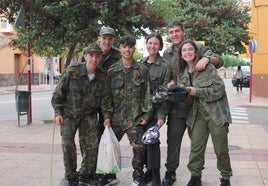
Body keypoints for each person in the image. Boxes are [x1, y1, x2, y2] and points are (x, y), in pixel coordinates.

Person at [162, 20, 224, 186]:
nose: (174, 34)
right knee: (173, 140)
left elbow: (219, 60)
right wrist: (170, 83)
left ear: (183, 31)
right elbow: (167, 76)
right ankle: (171, 172)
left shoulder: (196, 47)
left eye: (177, 31)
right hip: (178, 105)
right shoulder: (166, 54)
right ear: (168, 35)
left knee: (197, 143)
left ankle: (196, 175)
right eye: (171, 32)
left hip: (196, 105)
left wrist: (207, 59)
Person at [51, 43, 112, 186]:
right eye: (91, 55)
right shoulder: (73, 70)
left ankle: (86, 174)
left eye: (97, 56)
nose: (94, 59)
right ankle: (71, 175)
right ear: (85, 56)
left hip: (89, 116)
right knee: (67, 144)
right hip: (69, 114)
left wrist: (107, 116)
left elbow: (106, 100)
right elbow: (58, 93)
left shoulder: (102, 76)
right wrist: (58, 112)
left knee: (92, 145)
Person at [176, 39, 232, 186]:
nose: (187, 52)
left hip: (216, 114)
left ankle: (225, 177)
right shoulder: (181, 74)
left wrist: (197, 92)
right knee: (196, 148)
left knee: (221, 149)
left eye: (190, 49)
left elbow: (219, 90)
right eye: (184, 50)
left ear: (195, 52)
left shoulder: (207, 68)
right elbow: (186, 98)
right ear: (181, 55)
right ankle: (195, 176)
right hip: (196, 115)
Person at [103, 35, 154, 186]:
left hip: (135, 119)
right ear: (120, 48)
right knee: (109, 148)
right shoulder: (112, 71)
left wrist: (147, 114)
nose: (127, 49)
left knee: (140, 149)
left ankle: (137, 177)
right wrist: (106, 116)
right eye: (124, 46)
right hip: (115, 119)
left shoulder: (142, 70)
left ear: (134, 49)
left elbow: (148, 94)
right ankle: (109, 176)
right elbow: (106, 97)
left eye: (130, 46)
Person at [139, 33, 172, 186]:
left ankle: (156, 176)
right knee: (143, 143)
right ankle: (148, 172)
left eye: (156, 44)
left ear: (160, 46)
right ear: (146, 44)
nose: (152, 46)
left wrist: (161, 116)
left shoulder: (164, 65)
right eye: (150, 43)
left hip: (155, 111)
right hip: (141, 112)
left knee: (152, 142)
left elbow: (165, 93)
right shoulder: (141, 64)